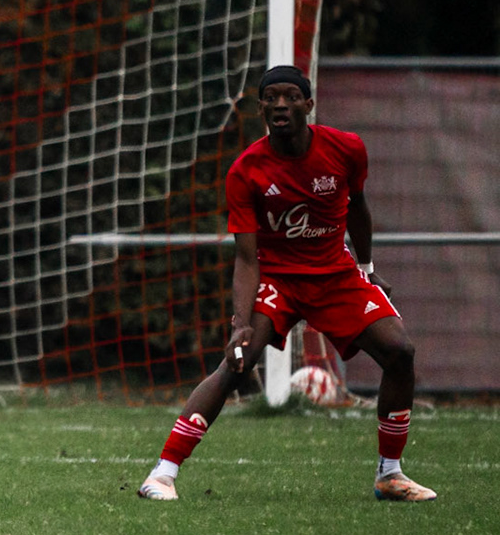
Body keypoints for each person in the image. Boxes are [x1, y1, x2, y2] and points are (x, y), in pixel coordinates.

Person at [138, 63, 434, 502]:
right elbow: (245, 256)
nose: (280, 104)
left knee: (400, 352)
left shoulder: (347, 149)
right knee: (237, 362)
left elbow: (358, 207)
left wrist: (368, 272)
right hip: (276, 278)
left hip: (335, 274)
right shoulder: (246, 171)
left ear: (308, 104)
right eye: (271, 97)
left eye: (290, 97)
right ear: (261, 108)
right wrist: (240, 322)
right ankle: (161, 474)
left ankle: (389, 474)